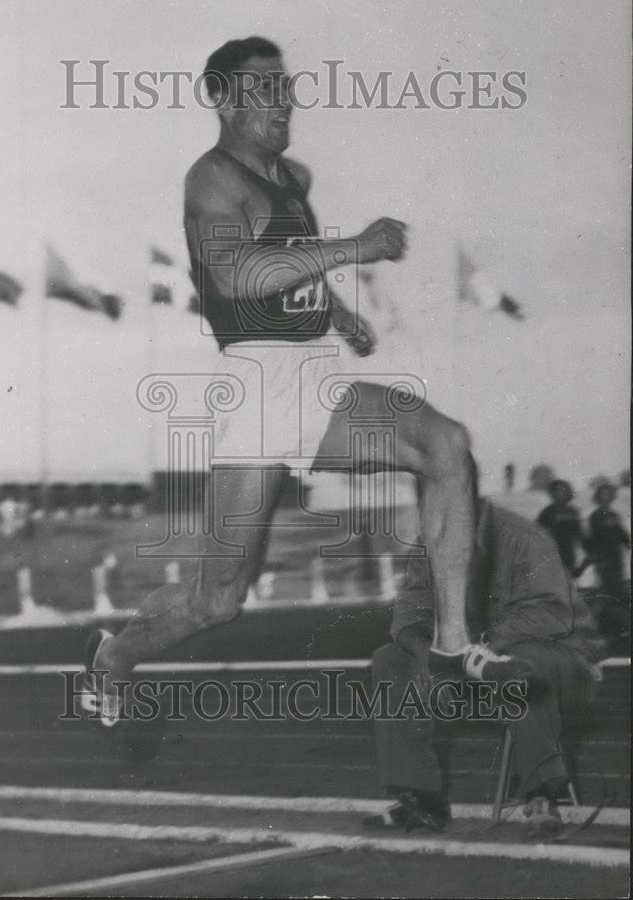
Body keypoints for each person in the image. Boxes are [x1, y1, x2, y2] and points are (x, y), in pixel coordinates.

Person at [80, 36, 531, 738]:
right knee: (218, 600)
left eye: (284, 85)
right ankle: (113, 659)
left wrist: (338, 312)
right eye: (262, 88)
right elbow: (236, 279)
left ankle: (451, 647)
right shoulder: (211, 181)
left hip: (315, 376)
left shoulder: (295, 178)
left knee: (445, 444)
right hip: (257, 387)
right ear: (223, 99)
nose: (282, 99)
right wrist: (356, 248)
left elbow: (290, 264)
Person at [368, 499, 604, 837]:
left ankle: (543, 796)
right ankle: (420, 797)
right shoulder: (433, 542)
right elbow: (408, 617)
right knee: (390, 659)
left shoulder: (526, 539)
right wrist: (429, 663)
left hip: (559, 664)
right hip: (477, 663)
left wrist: (477, 654)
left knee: (524, 661)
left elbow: (549, 615)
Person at [536, 479, 586, 576]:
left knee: (569, 576)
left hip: (569, 550)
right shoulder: (547, 512)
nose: (559, 493)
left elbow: (579, 532)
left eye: (562, 490)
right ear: (552, 493)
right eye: (556, 490)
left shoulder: (573, 511)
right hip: (553, 551)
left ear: (568, 492)